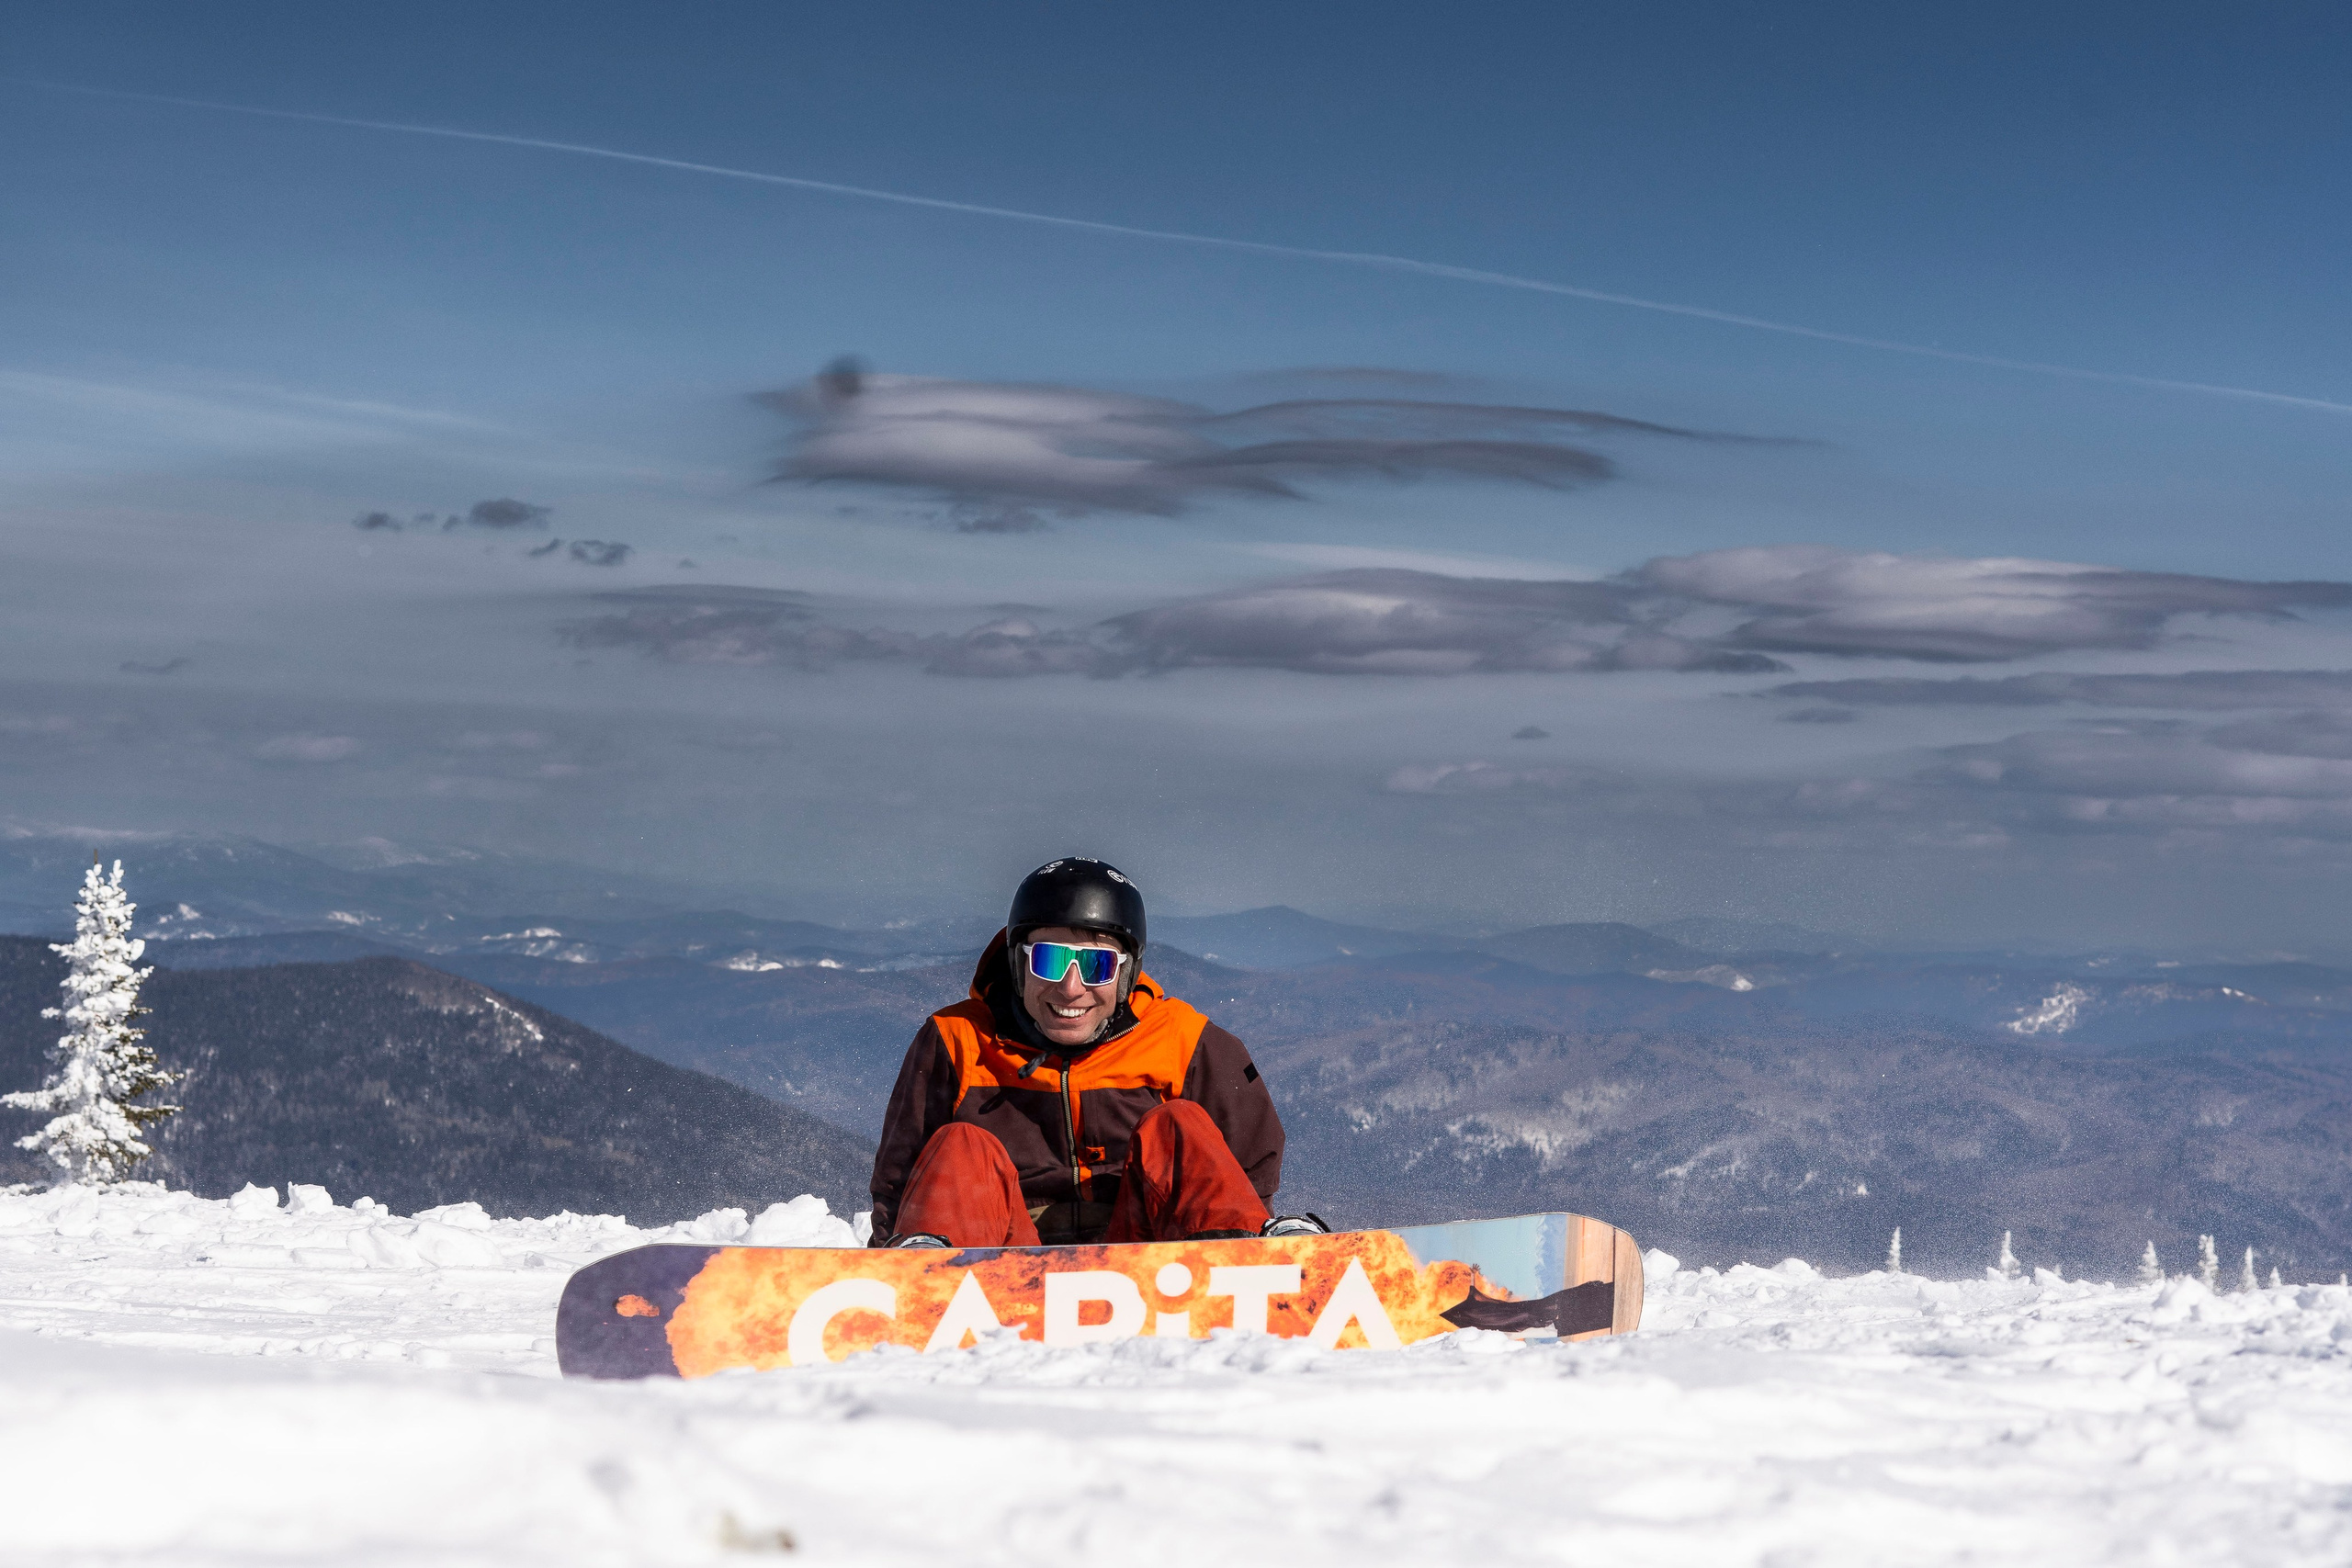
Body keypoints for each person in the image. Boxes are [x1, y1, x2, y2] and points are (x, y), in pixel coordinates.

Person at [868, 857, 1325, 1248]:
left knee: (1178, 1124)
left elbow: (1245, 1175)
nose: (1071, 988)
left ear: (1126, 973)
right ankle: (923, 1274)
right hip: (1002, 1263)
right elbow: (899, 1180)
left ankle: (1250, 1266)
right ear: (1018, 964)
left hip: (1142, 1256)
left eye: (1096, 963)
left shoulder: (1186, 1042)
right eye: (1048, 959)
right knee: (961, 1145)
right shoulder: (956, 1039)